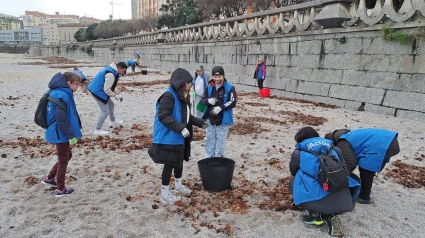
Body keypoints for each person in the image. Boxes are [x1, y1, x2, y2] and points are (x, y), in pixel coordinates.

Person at [148, 68, 208, 204]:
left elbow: (186, 116)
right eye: (188, 83)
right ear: (180, 83)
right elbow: (163, 116)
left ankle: (178, 185)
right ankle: (164, 193)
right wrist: (180, 127)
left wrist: (200, 123)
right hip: (168, 137)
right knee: (169, 164)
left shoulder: (182, 96)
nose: (190, 86)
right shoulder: (168, 96)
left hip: (179, 136)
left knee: (179, 162)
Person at [289, 127, 360, 237]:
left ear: (300, 139)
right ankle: (331, 216)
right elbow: (345, 169)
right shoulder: (335, 149)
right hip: (344, 200)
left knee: (295, 180)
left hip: (318, 197)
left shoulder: (299, 152)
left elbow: (293, 171)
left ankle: (315, 215)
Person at [325, 128, 400, 204]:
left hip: (383, 144)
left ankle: (364, 197)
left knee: (365, 169)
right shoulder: (347, 135)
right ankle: (365, 189)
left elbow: (351, 163)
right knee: (366, 166)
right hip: (390, 140)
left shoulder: (342, 142)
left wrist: (340, 177)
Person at [41, 72, 82, 197]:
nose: (77, 87)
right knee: (63, 159)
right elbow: (61, 119)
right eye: (76, 84)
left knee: (67, 155)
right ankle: (60, 188)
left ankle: (49, 178)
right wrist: (71, 136)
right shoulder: (62, 95)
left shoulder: (58, 92)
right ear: (68, 83)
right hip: (59, 132)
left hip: (57, 131)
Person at [201, 66, 237, 158]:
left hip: (223, 120)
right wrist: (209, 100)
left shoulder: (229, 88)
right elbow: (203, 100)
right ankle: (208, 157)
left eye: (219, 76)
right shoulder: (209, 87)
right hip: (210, 119)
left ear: (223, 76)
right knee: (209, 139)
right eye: (215, 77)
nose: (217, 79)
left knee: (220, 140)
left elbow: (233, 102)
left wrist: (221, 107)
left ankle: (218, 157)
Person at [88, 62, 127, 135]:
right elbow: (107, 89)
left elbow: (111, 85)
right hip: (97, 91)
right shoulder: (111, 74)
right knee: (105, 111)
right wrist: (115, 95)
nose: (123, 72)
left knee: (111, 104)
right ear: (119, 68)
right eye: (123, 71)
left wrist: (116, 93)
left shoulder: (112, 70)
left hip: (99, 89)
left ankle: (113, 121)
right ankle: (97, 130)